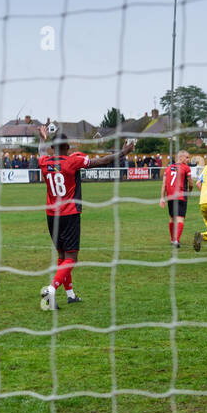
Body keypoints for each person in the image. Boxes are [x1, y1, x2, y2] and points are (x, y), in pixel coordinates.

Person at [37, 128, 136, 310]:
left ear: (53, 147)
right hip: (69, 213)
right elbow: (102, 161)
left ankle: (70, 295)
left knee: (62, 256)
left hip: (51, 215)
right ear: (67, 146)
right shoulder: (71, 161)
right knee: (72, 257)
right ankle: (51, 288)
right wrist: (123, 152)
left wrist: (42, 139)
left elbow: (41, 151)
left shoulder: (44, 162)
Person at [160, 149, 192, 248]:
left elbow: (164, 184)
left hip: (170, 197)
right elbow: (191, 183)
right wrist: (189, 191)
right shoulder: (186, 168)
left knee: (172, 218)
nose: (188, 159)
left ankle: (172, 239)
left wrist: (162, 198)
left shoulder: (168, 168)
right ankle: (176, 240)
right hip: (181, 196)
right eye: (187, 157)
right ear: (180, 157)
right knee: (180, 219)